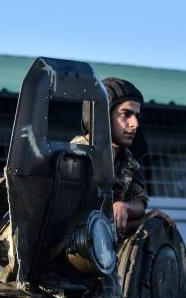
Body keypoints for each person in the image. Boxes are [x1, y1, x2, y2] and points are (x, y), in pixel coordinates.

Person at [73, 77, 175, 237]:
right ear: (102, 115)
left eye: (137, 116)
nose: (135, 124)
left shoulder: (128, 160)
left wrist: (125, 207)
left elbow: (140, 203)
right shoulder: (76, 155)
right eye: (126, 114)